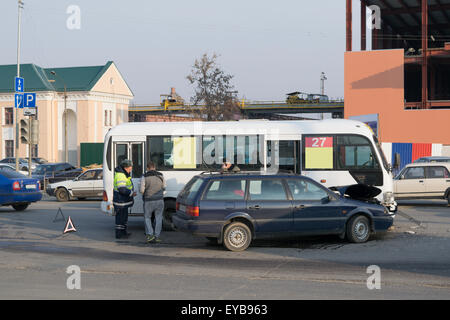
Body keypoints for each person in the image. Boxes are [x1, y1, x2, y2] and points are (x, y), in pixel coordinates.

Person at [140, 161, 166, 243]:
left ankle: (150, 235)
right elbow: (164, 187)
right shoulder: (161, 175)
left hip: (149, 200)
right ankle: (157, 236)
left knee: (147, 217)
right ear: (154, 167)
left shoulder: (144, 176)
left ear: (147, 168)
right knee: (158, 218)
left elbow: (141, 190)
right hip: (160, 200)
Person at [113, 159, 136, 239]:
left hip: (123, 201)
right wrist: (131, 193)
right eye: (130, 167)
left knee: (124, 218)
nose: (131, 169)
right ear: (125, 167)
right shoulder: (120, 175)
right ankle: (119, 234)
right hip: (120, 201)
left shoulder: (124, 174)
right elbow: (121, 189)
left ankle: (124, 232)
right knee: (120, 218)